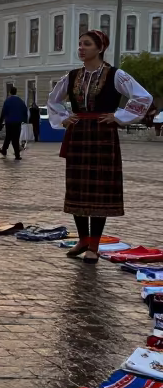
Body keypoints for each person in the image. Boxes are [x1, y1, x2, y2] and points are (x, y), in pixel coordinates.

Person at [48, 30, 151, 263]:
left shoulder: (116, 75)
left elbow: (143, 97)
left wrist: (119, 116)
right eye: (80, 44)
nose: (81, 48)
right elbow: (53, 99)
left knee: (99, 191)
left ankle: (94, 245)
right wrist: (64, 118)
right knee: (77, 187)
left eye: (86, 44)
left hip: (103, 135)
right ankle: (83, 238)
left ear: (99, 48)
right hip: (80, 133)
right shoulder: (72, 76)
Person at [0, 86, 28, 160]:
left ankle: (4, 150)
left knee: (8, 136)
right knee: (16, 137)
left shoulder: (7, 100)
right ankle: (16, 154)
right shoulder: (20, 101)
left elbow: (3, 112)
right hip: (17, 121)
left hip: (9, 121)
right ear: (16, 92)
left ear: (10, 92)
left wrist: (0, 122)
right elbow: (25, 110)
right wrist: (25, 120)